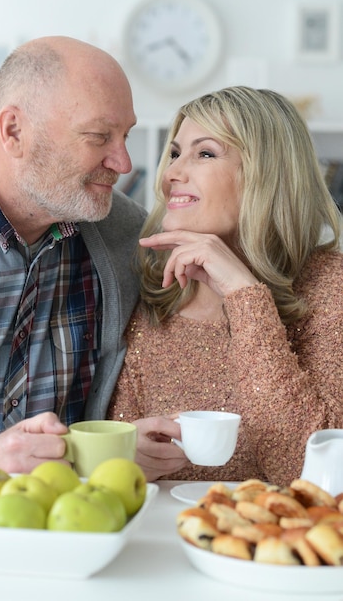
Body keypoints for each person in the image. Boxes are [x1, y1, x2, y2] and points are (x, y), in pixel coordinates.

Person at [0, 36, 147, 496]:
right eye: (99, 137)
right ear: (14, 131)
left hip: (72, 520)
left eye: (126, 135)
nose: (123, 162)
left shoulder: (125, 234)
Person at [107, 86, 343, 487]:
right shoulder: (158, 286)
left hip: (274, 544)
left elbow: (312, 477)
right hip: (159, 538)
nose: (171, 174)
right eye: (176, 153)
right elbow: (120, 454)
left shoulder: (330, 287)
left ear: (267, 174)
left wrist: (244, 296)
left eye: (205, 153)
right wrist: (129, 456)